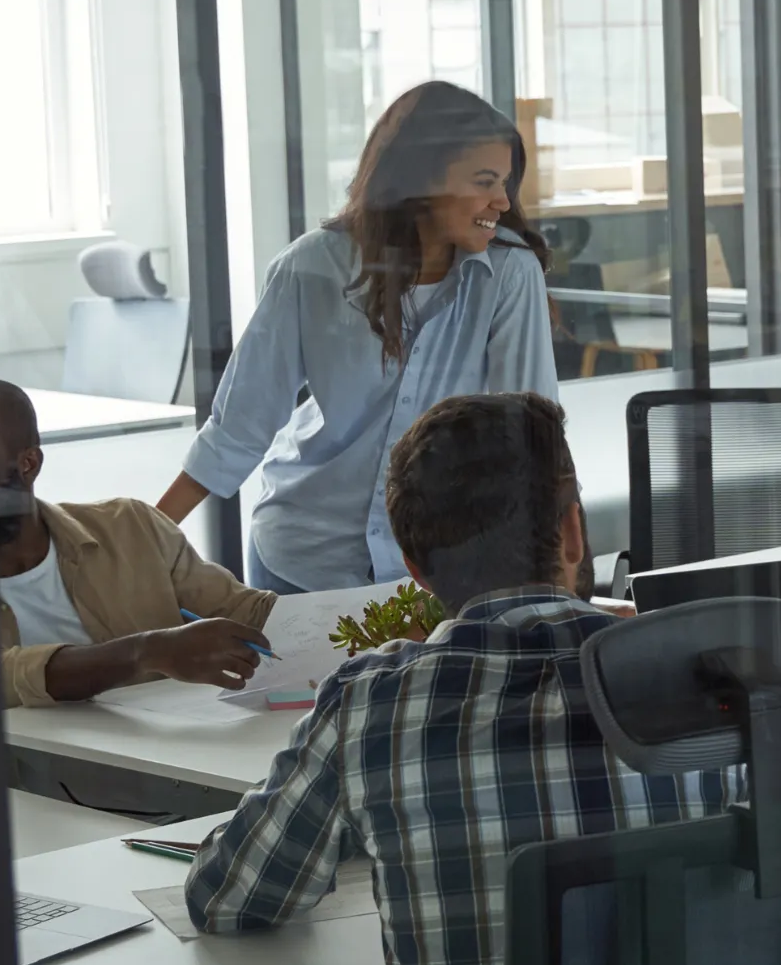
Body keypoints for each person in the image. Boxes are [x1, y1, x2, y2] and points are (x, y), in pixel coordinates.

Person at [185, 391, 725, 965]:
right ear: (574, 532)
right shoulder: (696, 675)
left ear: (412, 564)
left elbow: (228, 898)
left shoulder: (376, 702)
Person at [157, 81, 557, 594]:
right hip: (304, 559)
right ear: (421, 178)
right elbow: (238, 429)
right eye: (484, 181)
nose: (502, 200)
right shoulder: (310, 268)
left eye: (505, 182)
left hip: (440, 571)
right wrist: (143, 544)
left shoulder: (509, 274)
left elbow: (529, 432)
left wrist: (563, 574)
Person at [0, 378, 279, 715]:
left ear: (28, 465)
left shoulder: (130, 527)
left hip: (196, 762)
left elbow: (249, 614)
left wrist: (334, 622)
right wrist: (148, 651)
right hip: (43, 798)